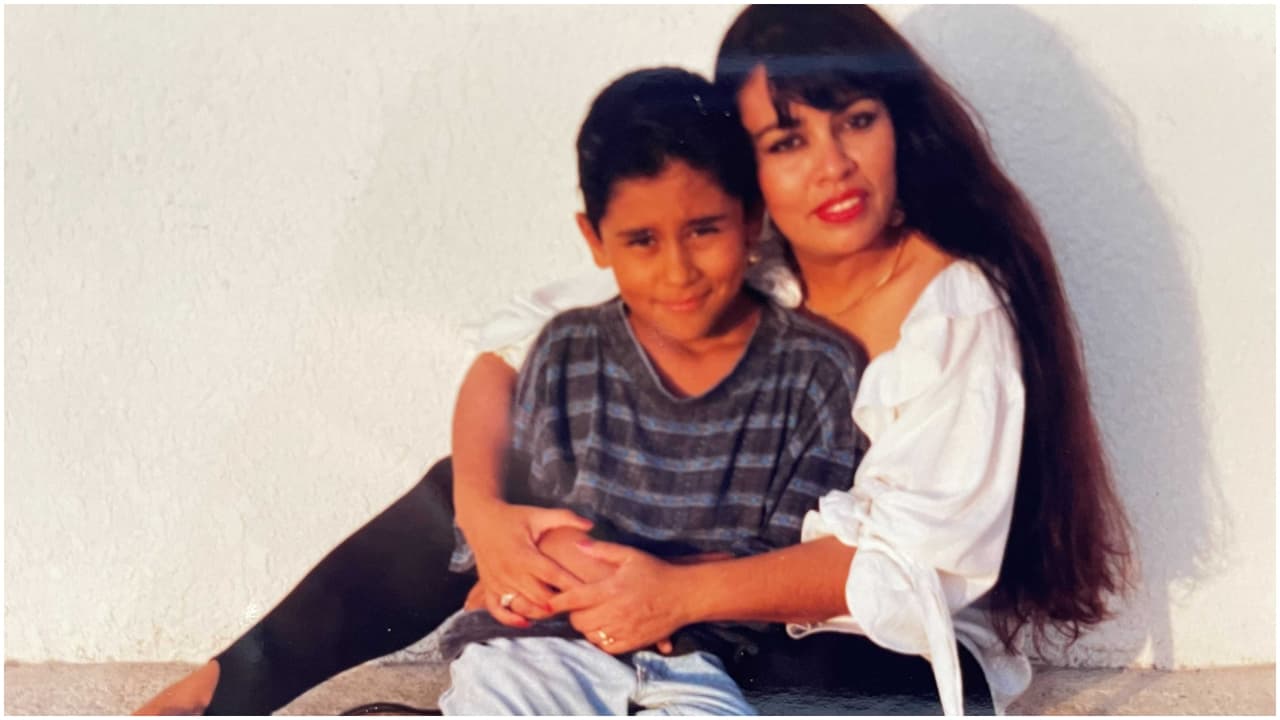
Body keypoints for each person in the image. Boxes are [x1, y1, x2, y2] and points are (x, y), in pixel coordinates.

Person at [136, 5, 1132, 716]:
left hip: (861, 658)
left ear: (895, 127)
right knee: (495, 479)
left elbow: (900, 570)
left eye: (854, 122)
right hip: (692, 620)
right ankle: (231, 687)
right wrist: (488, 524)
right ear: (746, 180)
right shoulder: (743, 264)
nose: (829, 164)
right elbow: (509, 352)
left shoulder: (951, 309)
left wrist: (675, 592)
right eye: (787, 140)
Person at [436, 66, 869, 714]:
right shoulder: (567, 351)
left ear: (751, 220)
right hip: (543, 644)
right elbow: (528, 535)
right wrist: (544, 561)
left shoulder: (815, 372)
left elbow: (786, 559)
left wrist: (659, 587)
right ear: (595, 241)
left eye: (704, 230)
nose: (678, 271)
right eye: (641, 240)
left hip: (706, 661)